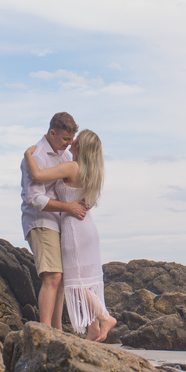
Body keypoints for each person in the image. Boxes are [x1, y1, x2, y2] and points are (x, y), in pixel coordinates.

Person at [23, 129, 116, 342]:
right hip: (88, 228)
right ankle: (93, 328)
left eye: (76, 139)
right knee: (83, 280)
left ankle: (104, 316)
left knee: (75, 281)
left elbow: (37, 176)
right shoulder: (92, 172)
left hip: (73, 229)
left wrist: (28, 154)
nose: (72, 141)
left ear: (80, 146)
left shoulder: (72, 166)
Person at [21, 112, 87, 330]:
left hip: (60, 222)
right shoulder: (38, 155)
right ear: (52, 133)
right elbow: (34, 199)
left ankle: (56, 331)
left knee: (63, 278)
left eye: (72, 139)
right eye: (66, 139)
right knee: (53, 276)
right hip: (41, 221)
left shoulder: (65, 156)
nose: (69, 143)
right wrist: (69, 207)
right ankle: (44, 331)